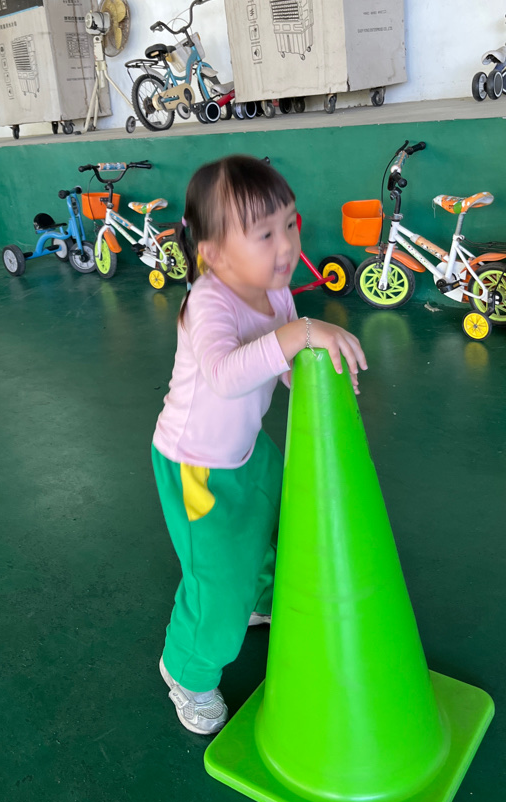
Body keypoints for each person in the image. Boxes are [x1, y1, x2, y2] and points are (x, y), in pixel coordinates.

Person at [152, 156, 367, 735]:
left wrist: (313, 376)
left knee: (271, 523)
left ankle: (260, 599)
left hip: (245, 450)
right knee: (216, 577)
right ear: (215, 253)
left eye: (290, 224)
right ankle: (187, 669)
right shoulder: (209, 301)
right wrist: (300, 334)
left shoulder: (274, 290)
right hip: (196, 465)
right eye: (264, 234)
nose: (286, 244)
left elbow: (280, 361)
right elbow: (226, 374)